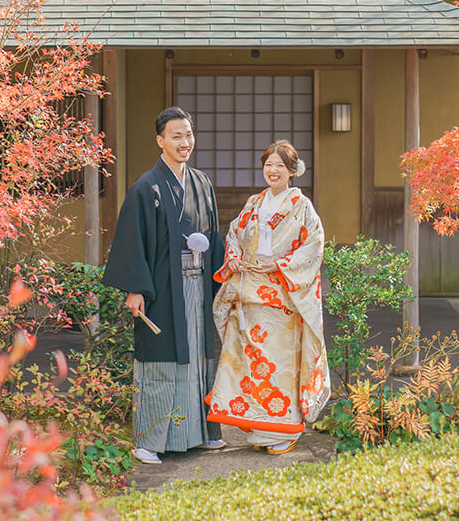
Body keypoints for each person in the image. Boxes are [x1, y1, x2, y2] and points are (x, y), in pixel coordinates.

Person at [102, 107, 226, 464]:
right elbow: (132, 241)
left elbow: (214, 238)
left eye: (188, 135)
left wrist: (222, 280)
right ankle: (149, 440)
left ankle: (200, 433)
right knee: (161, 360)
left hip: (198, 286)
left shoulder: (201, 183)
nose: (185, 142)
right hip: (163, 288)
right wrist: (135, 288)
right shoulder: (146, 187)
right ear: (160, 141)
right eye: (176, 136)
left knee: (198, 356)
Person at [208, 140, 330, 455]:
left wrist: (281, 265)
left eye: (279, 165)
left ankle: (285, 429)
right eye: (268, 164)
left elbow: (314, 245)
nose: (272, 170)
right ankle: (258, 427)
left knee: (278, 367)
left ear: (292, 171)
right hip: (249, 293)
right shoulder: (254, 202)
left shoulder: (302, 206)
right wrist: (233, 256)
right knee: (250, 365)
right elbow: (234, 232)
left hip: (282, 298)